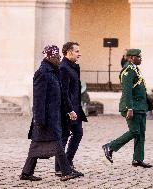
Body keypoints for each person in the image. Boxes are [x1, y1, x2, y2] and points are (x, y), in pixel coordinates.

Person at [20, 45, 82, 182]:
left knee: (36, 146)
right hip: (45, 118)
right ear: (49, 57)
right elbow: (38, 99)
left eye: (59, 56)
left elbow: (62, 94)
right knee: (57, 143)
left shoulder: (55, 72)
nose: (59, 58)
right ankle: (65, 172)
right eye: (57, 56)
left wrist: (69, 109)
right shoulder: (42, 73)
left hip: (54, 116)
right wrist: (39, 120)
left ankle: (26, 172)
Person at [102, 49, 153, 168]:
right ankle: (110, 146)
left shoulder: (135, 69)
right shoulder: (128, 71)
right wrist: (129, 108)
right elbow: (127, 91)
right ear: (130, 58)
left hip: (140, 107)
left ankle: (138, 159)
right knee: (134, 131)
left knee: (140, 133)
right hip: (132, 107)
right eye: (138, 57)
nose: (140, 58)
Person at [55, 42, 88, 176]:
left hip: (75, 108)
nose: (79, 54)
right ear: (68, 52)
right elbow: (64, 92)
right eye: (76, 51)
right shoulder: (64, 68)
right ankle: (61, 167)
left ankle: (65, 164)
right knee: (64, 137)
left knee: (77, 134)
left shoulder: (72, 67)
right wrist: (70, 110)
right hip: (68, 110)